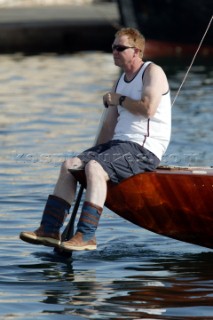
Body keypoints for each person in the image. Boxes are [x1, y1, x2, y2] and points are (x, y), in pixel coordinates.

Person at [20, 27, 171, 251]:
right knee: (70, 165)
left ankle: (87, 235)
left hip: (144, 149)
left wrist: (119, 99)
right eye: (113, 47)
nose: (114, 52)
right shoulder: (119, 82)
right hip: (118, 146)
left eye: (120, 48)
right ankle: (50, 230)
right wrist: (90, 156)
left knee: (95, 168)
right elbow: (109, 127)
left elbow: (148, 108)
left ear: (137, 51)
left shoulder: (152, 72)